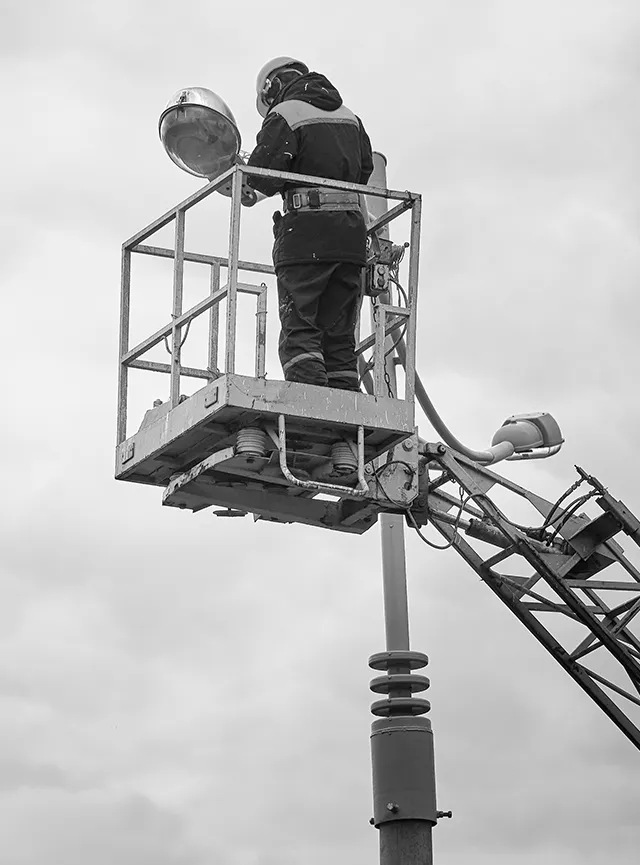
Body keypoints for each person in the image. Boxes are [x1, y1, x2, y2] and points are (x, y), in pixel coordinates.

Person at [246, 57, 374, 391]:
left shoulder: (286, 114)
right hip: (349, 239)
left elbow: (263, 177)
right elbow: (364, 170)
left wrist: (239, 171)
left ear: (272, 87)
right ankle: (345, 416)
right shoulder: (351, 118)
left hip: (306, 238)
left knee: (301, 332)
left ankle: (311, 408)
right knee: (339, 340)